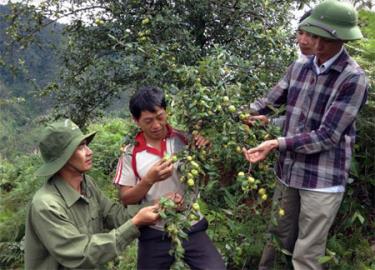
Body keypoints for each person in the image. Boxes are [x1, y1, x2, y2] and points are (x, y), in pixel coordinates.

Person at [242, 1, 369, 269]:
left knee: (306, 254)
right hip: (289, 172)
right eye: (314, 36)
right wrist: (234, 117)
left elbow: (327, 135)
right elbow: (267, 102)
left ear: (343, 39)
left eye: (326, 40)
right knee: (276, 240)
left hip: (322, 179)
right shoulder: (300, 66)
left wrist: (277, 142)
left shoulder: (353, 78)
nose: (317, 46)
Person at [113, 86, 226, 270]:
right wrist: (149, 179)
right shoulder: (130, 152)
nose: (156, 125)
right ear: (136, 121)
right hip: (154, 230)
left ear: (167, 111)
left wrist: (207, 151)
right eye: (148, 121)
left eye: (160, 117)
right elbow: (126, 198)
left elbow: (209, 177)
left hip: (191, 225)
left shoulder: (186, 141)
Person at [25, 119, 161, 270]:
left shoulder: (87, 184)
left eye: (86, 145)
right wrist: (135, 224)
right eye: (80, 147)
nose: (89, 152)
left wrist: (157, 206)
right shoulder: (46, 205)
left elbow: (115, 215)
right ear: (63, 157)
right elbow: (82, 254)